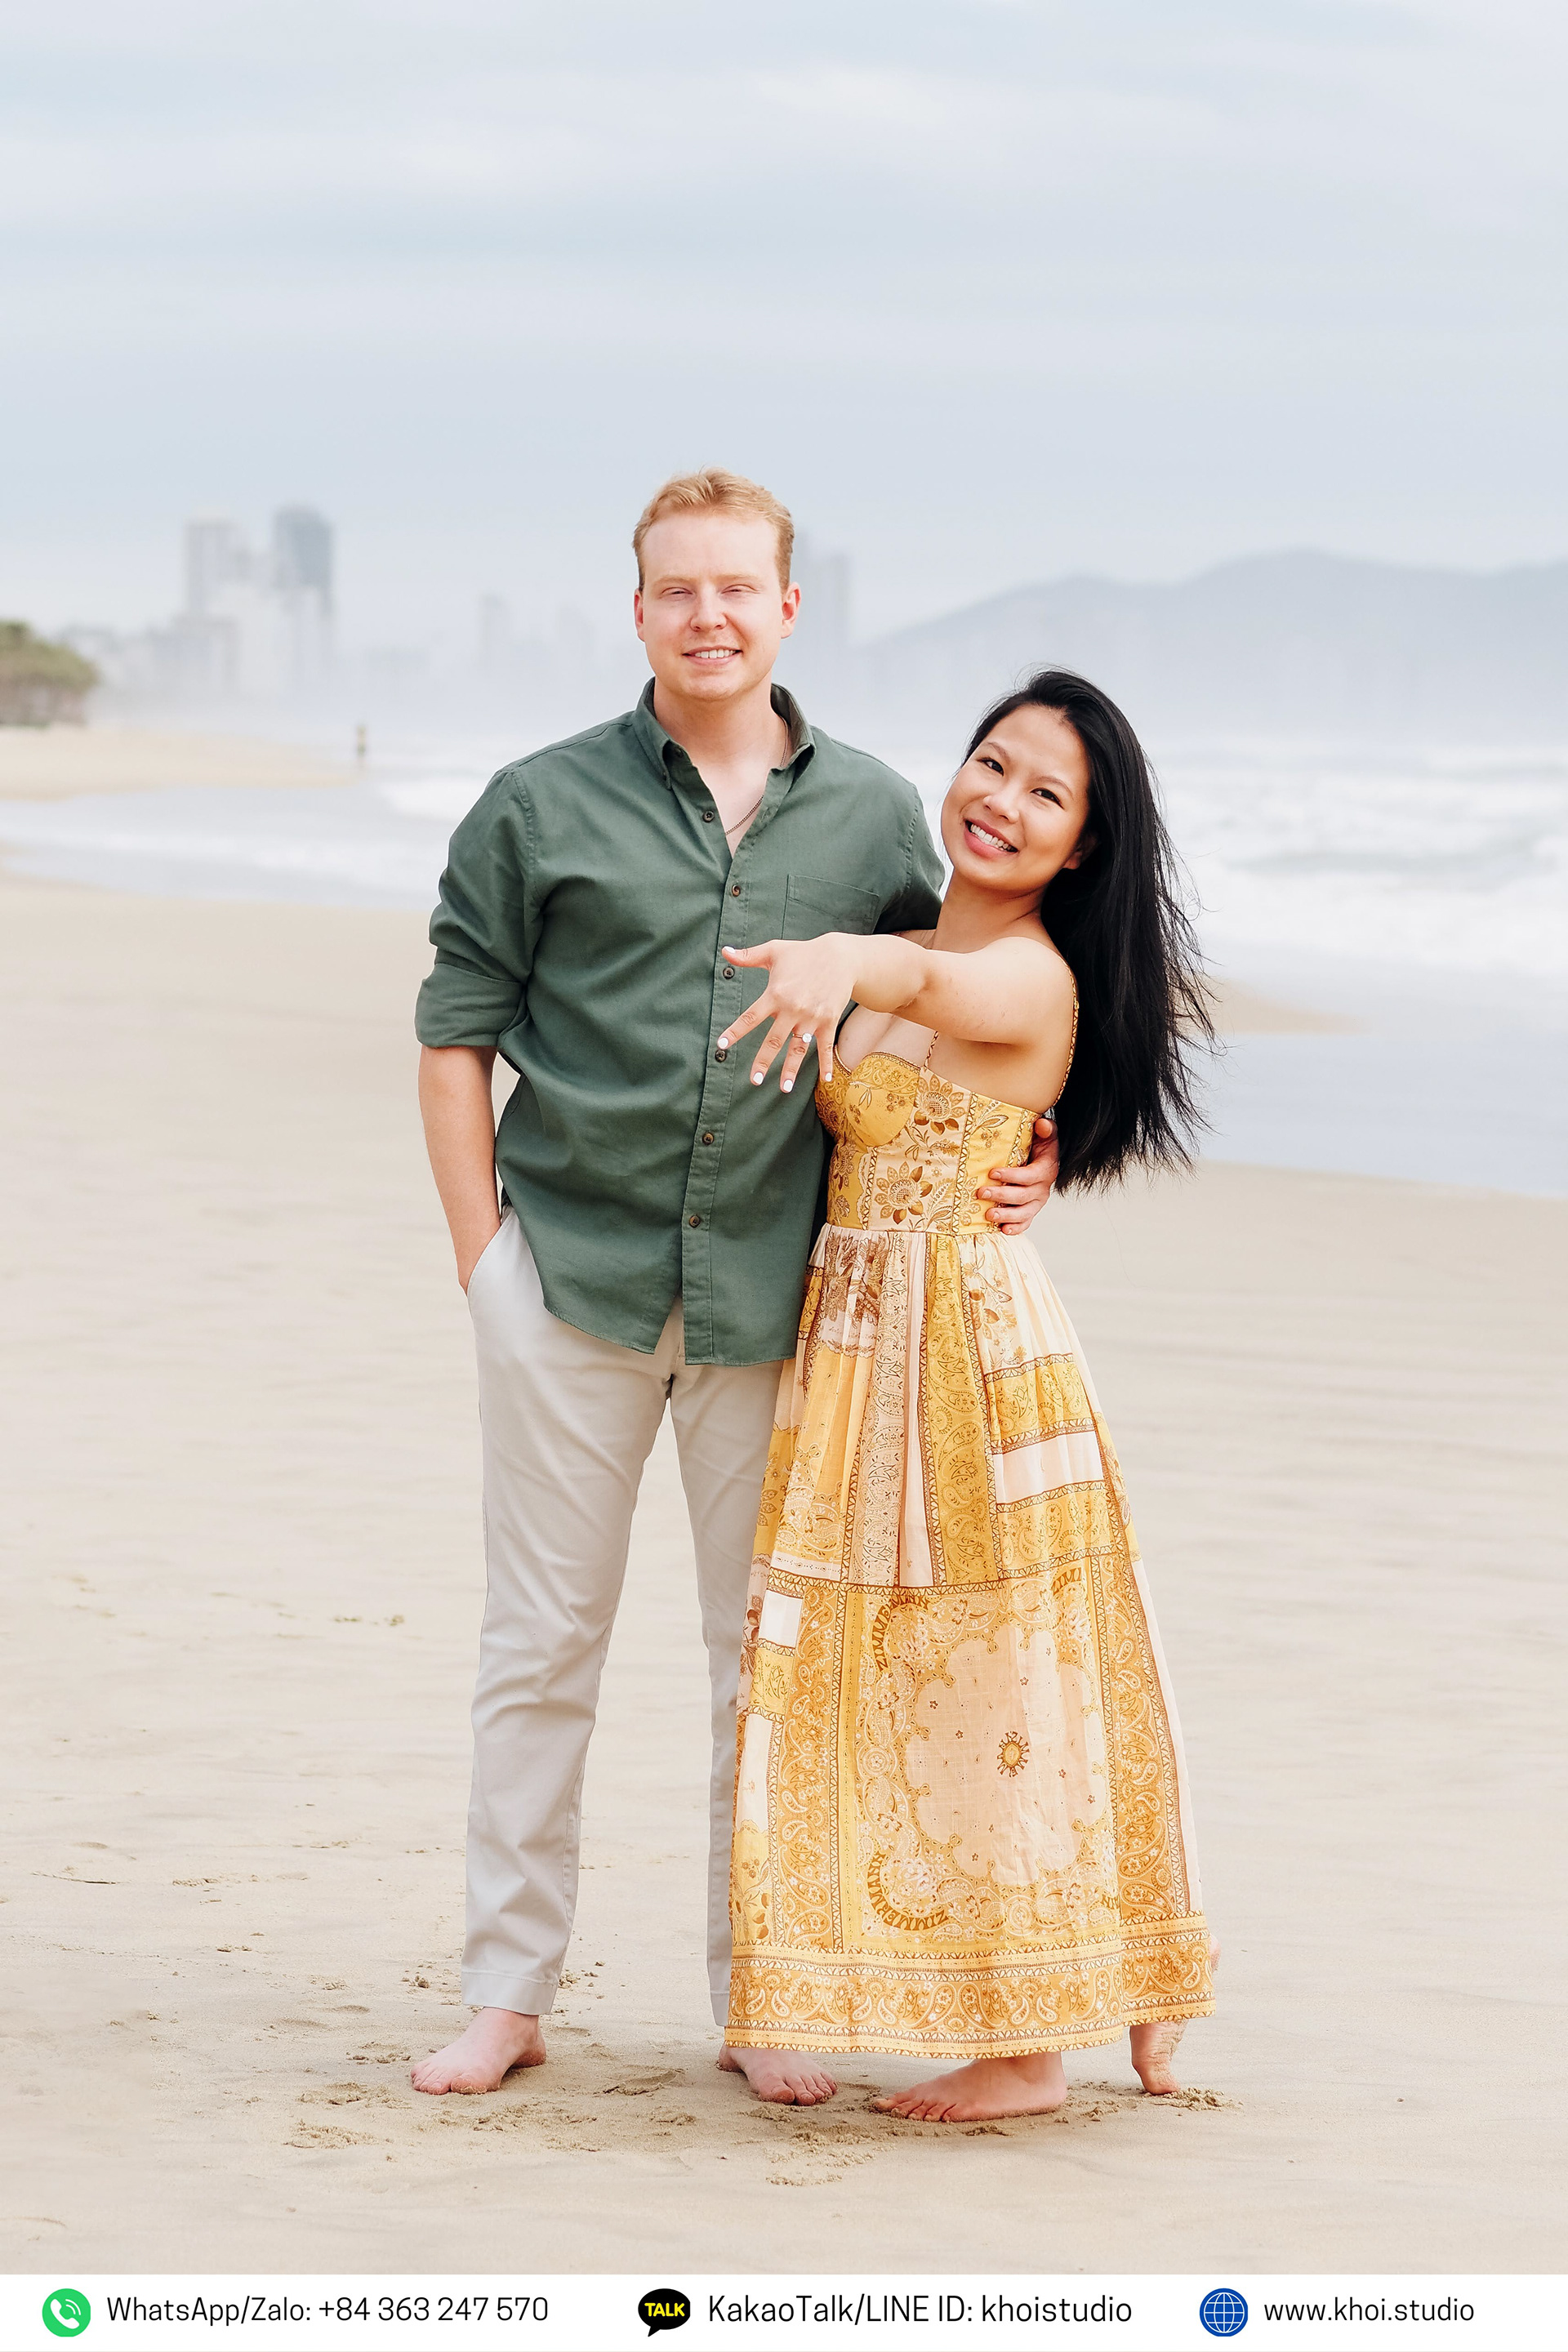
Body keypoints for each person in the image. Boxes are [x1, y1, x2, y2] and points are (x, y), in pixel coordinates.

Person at [408, 470, 1058, 2100]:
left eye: (737, 589)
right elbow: (453, 1035)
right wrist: (484, 1259)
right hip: (567, 1284)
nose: (708, 614)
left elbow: (959, 1006)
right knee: (541, 1646)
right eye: (676, 590)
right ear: (639, 612)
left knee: (757, 1665)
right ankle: (507, 1991)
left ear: (786, 606)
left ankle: (758, 1999)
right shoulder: (536, 804)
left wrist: (1046, 1148)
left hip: (781, 1311)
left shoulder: (873, 820)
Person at [715, 668, 1218, 2121]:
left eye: (1045, 795)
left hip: (965, 1359)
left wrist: (834, 960)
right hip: (863, 1344)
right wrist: (856, 958)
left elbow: (942, 992)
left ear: (1084, 849)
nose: (1001, 802)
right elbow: (916, 991)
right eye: (992, 765)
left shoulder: (1028, 974)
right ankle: (960, 2000)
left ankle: (1025, 2051)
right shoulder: (919, 935)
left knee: (996, 1681)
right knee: (893, 1681)